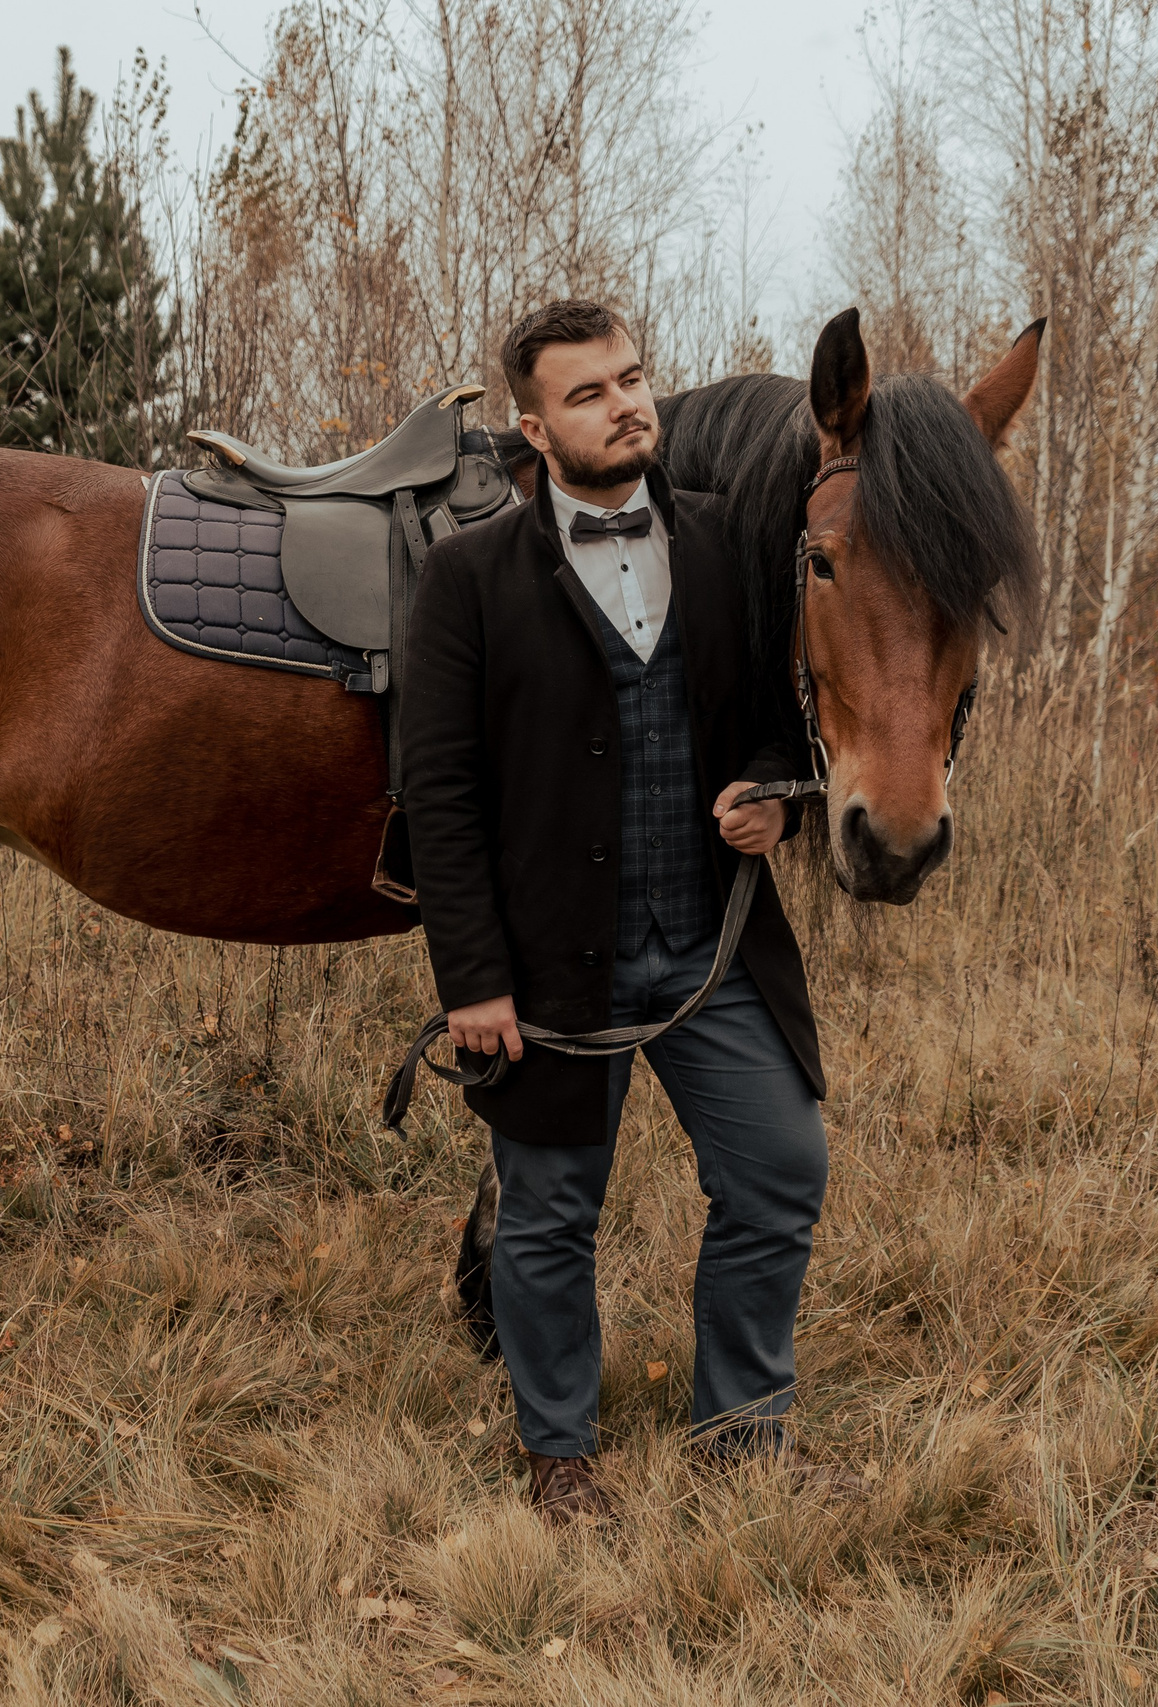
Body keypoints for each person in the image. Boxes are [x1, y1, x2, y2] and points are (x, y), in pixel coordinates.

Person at [400, 299, 829, 1524]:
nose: (624, 404)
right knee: (549, 1215)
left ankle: (741, 1435)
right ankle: (560, 1455)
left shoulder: (725, 542)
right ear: (535, 431)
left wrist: (777, 802)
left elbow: (775, 726)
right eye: (587, 393)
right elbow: (439, 797)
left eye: (631, 378)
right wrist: (474, 981)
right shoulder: (467, 578)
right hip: (551, 971)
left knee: (780, 1172)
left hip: (709, 949)